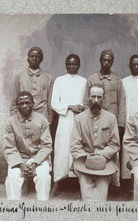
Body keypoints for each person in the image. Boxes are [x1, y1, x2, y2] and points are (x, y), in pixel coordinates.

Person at [71, 84, 120, 201]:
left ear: (104, 98)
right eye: (93, 97)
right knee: (86, 187)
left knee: (102, 188)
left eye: (99, 97)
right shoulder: (79, 118)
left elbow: (115, 144)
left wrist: (102, 154)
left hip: (105, 161)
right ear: (88, 97)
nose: (96, 100)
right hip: (84, 161)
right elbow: (75, 145)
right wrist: (88, 158)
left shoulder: (111, 118)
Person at [3, 91, 52, 200]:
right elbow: (9, 147)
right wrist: (20, 164)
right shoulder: (10, 122)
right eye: (21, 103)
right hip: (19, 159)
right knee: (12, 178)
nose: (24, 106)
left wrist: (35, 163)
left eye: (27, 102)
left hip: (39, 159)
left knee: (43, 176)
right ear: (17, 105)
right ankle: (12, 210)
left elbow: (47, 146)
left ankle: (43, 209)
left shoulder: (42, 120)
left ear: (33, 104)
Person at [50, 54, 87, 196]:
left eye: (75, 64)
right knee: (62, 149)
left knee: (78, 147)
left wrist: (81, 107)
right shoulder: (59, 80)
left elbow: (87, 101)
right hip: (64, 120)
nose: (72, 66)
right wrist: (70, 107)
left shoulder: (84, 81)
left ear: (79, 65)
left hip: (79, 119)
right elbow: (54, 103)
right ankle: (58, 181)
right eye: (70, 64)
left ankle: (80, 183)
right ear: (66, 65)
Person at [83, 49, 125, 141]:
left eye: (109, 60)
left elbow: (121, 103)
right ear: (100, 60)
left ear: (112, 62)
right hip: (93, 119)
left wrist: (121, 124)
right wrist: (87, 120)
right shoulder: (91, 79)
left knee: (112, 146)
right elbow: (86, 101)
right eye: (104, 60)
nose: (106, 62)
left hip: (112, 120)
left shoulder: (117, 80)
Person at [9, 47, 54, 124]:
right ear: (27, 59)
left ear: (41, 59)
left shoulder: (47, 78)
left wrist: (49, 120)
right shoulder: (19, 76)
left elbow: (50, 101)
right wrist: (15, 118)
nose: (34, 58)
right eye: (31, 56)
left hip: (41, 117)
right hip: (22, 117)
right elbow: (13, 99)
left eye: (37, 57)